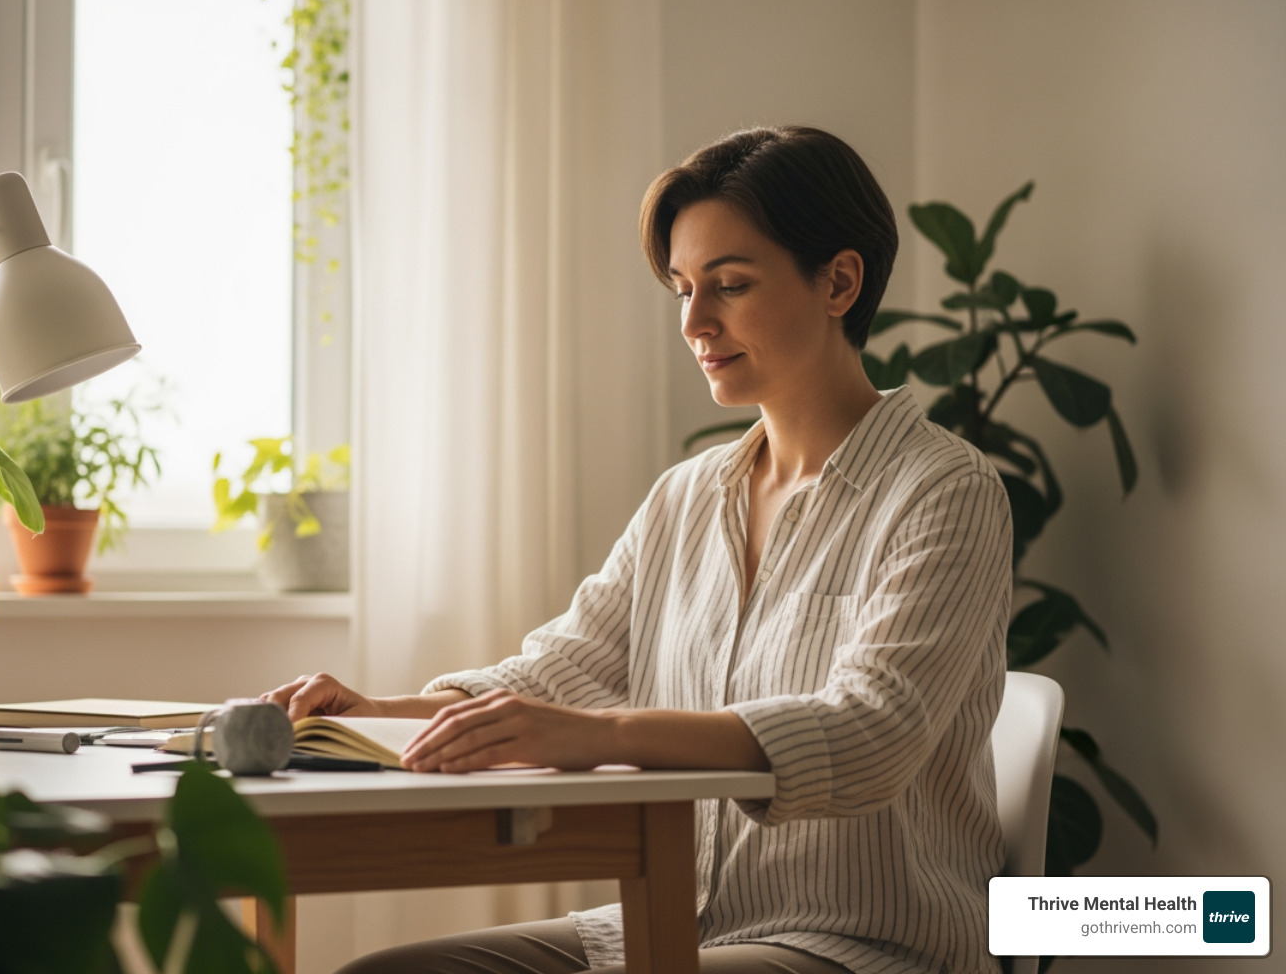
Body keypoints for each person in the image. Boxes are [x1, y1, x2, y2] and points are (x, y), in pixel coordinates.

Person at [263, 126, 1012, 974]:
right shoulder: (688, 496)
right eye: (684, 289)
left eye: (729, 285)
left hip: (859, 945)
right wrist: (372, 713)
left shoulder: (944, 491)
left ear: (839, 281)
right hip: (668, 925)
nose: (695, 321)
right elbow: (563, 670)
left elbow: (872, 733)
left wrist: (595, 734)